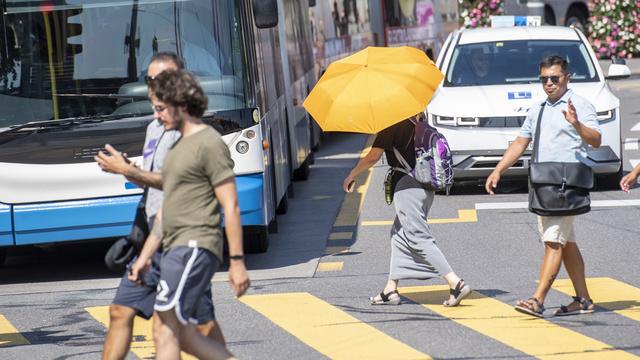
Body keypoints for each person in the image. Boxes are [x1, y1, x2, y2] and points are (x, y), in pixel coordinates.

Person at [95, 52, 224, 360]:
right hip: (153, 235)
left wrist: (128, 171)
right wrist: (131, 171)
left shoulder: (188, 132)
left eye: (161, 80)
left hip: (181, 239)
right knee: (120, 311)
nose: (153, 86)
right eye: (149, 80)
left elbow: (178, 184)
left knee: (196, 327)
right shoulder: (155, 126)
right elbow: (156, 180)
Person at [129, 69, 250, 359]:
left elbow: (231, 205)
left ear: (180, 105)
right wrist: (144, 258)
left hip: (196, 245)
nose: (156, 116)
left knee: (170, 324)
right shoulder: (176, 148)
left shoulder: (208, 143)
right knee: (168, 328)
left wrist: (237, 262)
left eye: (160, 109)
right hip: (175, 247)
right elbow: (165, 211)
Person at [485, 55, 601, 317]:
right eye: (544, 79)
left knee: (553, 242)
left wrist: (576, 123)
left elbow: (595, 139)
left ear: (567, 77)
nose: (549, 84)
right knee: (566, 242)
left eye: (554, 78)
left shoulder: (580, 105)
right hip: (544, 184)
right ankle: (583, 300)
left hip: (566, 186)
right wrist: (498, 170)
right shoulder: (537, 109)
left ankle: (537, 299)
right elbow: (520, 143)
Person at [343, 114, 471, 307]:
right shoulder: (418, 120)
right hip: (424, 187)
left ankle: (456, 283)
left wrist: (352, 174)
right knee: (398, 234)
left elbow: (373, 156)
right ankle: (390, 289)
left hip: (408, 187)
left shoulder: (391, 124)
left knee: (418, 237)